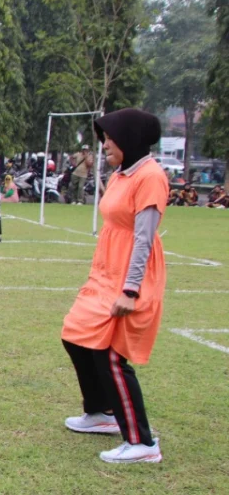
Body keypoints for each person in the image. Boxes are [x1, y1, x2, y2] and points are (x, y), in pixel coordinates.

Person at [60, 109, 168, 464]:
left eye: (110, 137)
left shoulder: (149, 176)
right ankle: (101, 413)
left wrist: (131, 289)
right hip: (105, 273)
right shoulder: (123, 174)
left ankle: (142, 443)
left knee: (109, 352)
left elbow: (143, 239)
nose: (104, 144)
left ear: (130, 138)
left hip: (128, 277)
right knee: (75, 334)